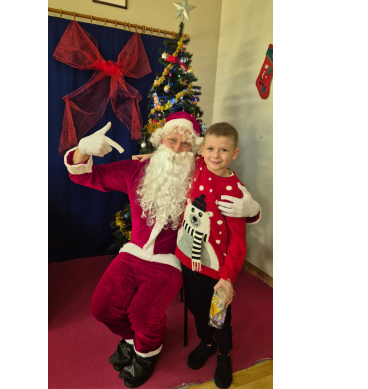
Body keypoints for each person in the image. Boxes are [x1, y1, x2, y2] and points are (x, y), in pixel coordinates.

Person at [64, 111, 260, 388]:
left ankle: (148, 353)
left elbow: (226, 190)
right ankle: (132, 340)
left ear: (195, 149)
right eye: (171, 140)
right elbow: (86, 177)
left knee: (146, 313)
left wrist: (253, 209)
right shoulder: (135, 170)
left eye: (185, 143)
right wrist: (82, 150)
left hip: (172, 262)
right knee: (101, 307)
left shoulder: (198, 173)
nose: (177, 149)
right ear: (160, 140)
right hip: (133, 253)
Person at [175, 122, 253, 389]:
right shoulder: (197, 166)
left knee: (219, 317)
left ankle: (223, 353)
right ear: (202, 149)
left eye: (223, 150)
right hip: (189, 261)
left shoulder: (234, 193)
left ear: (235, 153)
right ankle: (206, 342)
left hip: (218, 272)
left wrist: (228, 278)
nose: (215, 155)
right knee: (196, 308)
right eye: (210, 148)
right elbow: (174, 153)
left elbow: (238, 242)